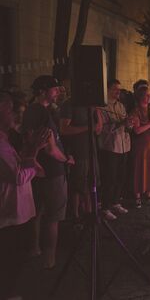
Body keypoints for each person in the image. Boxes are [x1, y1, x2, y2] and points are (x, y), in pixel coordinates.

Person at [0, 92, 49, 299]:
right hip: (9, 212)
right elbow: (18, 176)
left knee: (14, 258)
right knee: (11, 258)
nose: (16, 117)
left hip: (15, 210)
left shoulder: (6, 139)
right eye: (11, 110)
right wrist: (35, 150)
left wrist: (30, 152)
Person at [22, 75, 74, 269]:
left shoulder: (32, 111)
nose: (58, 92)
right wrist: (67, 159)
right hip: (52, 171)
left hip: (38, 170)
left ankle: (34, 248)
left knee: (37, 211)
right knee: (53, 216)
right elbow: (50, 149)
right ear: (43, 91)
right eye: (54, 89)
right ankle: (50, 259)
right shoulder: (41, 113)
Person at [60, 96, 103, 221]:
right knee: (78, 184)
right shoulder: (69, 103)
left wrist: (97, 111)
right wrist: (87, 128)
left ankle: (89, 213)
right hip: (77, 150)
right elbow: (63, 129)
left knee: (91, 182)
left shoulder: (91, 105)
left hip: (91, 149)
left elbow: (98, 129)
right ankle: (75, 216)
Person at [97, 79, 134, 220]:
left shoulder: (121, 106)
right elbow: (103, 129)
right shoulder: (101, 107)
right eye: (114, 89)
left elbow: (126, 126)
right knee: (109, 178)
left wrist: (130, 124)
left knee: (120, 177)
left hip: (124, 145)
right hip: (110, 147)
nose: (118, 92)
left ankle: (115, 202)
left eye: (119, 89)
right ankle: (105, 206)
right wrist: (121, 123)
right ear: (107, 90)